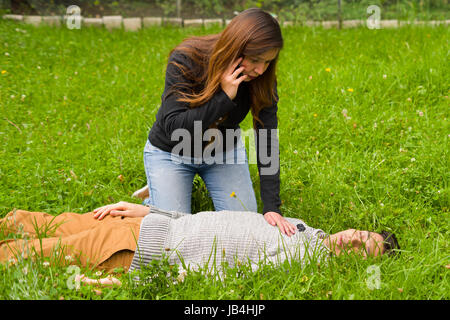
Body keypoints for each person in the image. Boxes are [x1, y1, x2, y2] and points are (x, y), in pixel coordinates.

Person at [137, 8, 297, 236]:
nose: (261, 70)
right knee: (173, 231)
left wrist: (272, 206)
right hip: (172, 153)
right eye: (255, 60)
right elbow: (174, 126)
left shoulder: (261, 78)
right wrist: (223, 98)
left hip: (222, 153)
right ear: (235, 47)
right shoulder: (187, 59)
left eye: (268, 62)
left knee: (245, 230)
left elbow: (266, 137)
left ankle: (171, 191)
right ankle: (159, 192)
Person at [0, 201, 400, 286]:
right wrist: (148, 211)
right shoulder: (299, 225)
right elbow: (214, 221)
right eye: (362, 235)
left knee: (31, 253)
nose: (353, 241)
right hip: (151, 223)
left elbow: (222, 273)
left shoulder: (299, 262)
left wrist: (136, 283)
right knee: (29, 223)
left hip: (143, 252)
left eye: (361, 250)